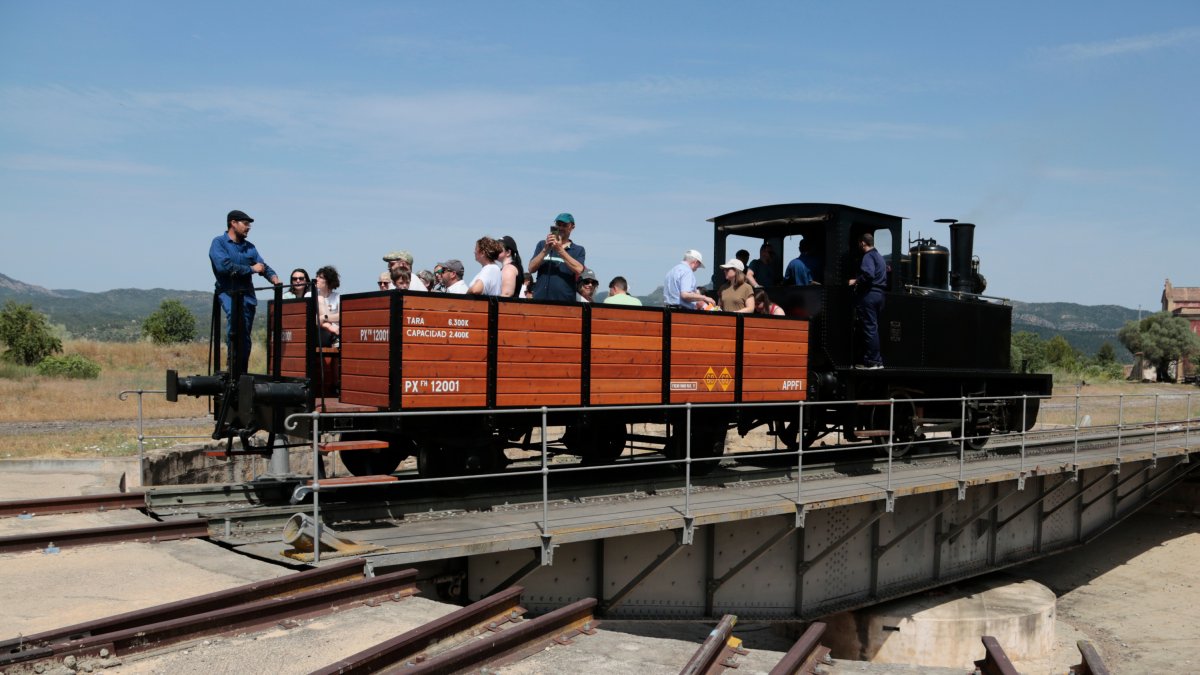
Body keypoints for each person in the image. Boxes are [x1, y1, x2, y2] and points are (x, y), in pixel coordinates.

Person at [209, 209, 280, 374]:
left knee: (245, 335)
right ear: (233, 223)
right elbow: (224, 267)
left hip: (247, 296)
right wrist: (251, 269)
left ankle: (242, 372)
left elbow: (262, 266)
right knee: (235, 322)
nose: (249, 227)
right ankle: (232, 366)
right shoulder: (219, 243)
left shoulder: (250, 247)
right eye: (246, 224)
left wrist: (273, 277)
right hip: (228, 292)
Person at [848, 232, 887, 369]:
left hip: (869, 295)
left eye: (860, 243)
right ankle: (874, 359)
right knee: (873, 328)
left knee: (869, 328)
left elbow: (868, 274)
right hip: (880, 295)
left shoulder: (868, 256)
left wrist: (856, 281)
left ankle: (874, 361)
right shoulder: (880, 257)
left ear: (863, 243)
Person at [529, 213, 585, 301]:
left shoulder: (578, 250)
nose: (561, 228)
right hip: (540, 300)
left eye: (565, 225)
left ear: (572, 227)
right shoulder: (542, 245)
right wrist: (545, 250)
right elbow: (531, 269)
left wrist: (560, 250)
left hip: (565, 302)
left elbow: (579, 269)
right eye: (558, 224)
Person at [315, 265, 341, 348]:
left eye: (320, 277)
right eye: (317, 276)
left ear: (328, 281)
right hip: (320, 333)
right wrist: (330, 327)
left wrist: (324, 317)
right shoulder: (311, 295)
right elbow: (314, 320)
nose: (317, 279)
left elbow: (341, 316)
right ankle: (333, 336)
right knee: (320, 298)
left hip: (337, 331)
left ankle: (334, 337)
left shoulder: (337, 297)